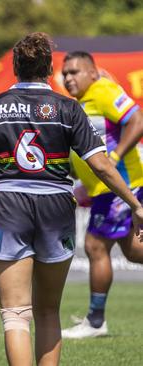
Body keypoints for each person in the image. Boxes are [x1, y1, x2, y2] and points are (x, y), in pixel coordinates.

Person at [0, 32, 143, 365]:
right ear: (49, 70)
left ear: (15, 67)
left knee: (15, 314)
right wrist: (135, 203)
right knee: (47, 311)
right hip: (56, 205)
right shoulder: (68, 108)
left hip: (7, 206)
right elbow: (101, 165)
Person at [60, 51, 143, 339]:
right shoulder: (81, 103)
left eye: (75, 72)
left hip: (120, 185)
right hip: (105, 190)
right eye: (65, 73)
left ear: (93, 73)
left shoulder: (103, 90)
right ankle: (95, 320)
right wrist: (85, 186)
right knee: (133, 252)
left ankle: (95, 321)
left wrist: (115, 157)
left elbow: (138, 120)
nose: (68, 78)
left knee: (95, 245)